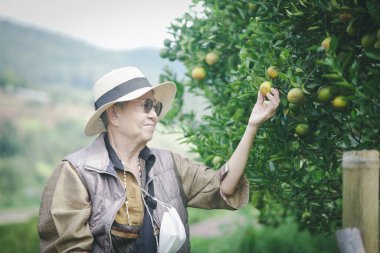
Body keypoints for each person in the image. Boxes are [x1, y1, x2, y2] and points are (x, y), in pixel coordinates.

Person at [38, 66, 280, 253]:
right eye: (145, 106)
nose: (154, 114)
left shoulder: (169, 163)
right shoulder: (76, 173)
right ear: (114, 114)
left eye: (155, 106)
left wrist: (252, 126)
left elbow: (224, 186)